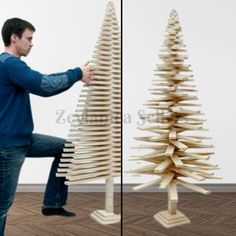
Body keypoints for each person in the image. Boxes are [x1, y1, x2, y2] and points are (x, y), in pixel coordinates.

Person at [0, 18, 93, 235]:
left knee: (66, 147)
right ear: (14, 38)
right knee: (2, 205)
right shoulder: (10, 64)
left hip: (23, 139)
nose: (32, 43)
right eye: (28, 38)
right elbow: (45, 85)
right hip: (8, 148)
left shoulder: (10, 66)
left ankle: (52, 203)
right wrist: (77, 73)